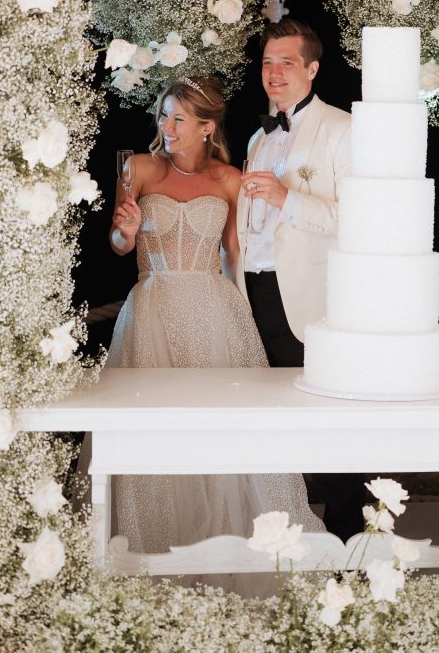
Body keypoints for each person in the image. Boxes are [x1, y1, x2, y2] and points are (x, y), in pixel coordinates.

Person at [106, 76, 323, 557]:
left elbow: (233, 252)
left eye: (178, 118)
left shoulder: (228, 179)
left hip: (214, 309)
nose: (167, 126)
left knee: (222, 425)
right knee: (157, 425)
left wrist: (240, 316)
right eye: (163, 115)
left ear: (207, 128)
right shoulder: (139, 168)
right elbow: (118, 245)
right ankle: (156, 541)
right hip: (153, 309)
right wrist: (128, 232)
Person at [237, 19, 366, 541]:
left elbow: (356, 221)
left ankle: (347, 544)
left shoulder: (341, 129)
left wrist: (287, 199)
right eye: (268, 62)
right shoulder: (256, 137)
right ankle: (287, 538)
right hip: (253, 293)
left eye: (286, 62)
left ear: (312, 68)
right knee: (274, 422)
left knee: (326, 423)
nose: (274, 73)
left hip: (309, 301)